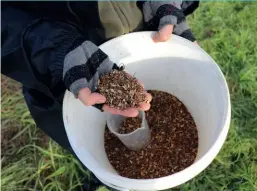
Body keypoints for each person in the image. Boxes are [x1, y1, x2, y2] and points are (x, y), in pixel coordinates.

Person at [1, 1, 199, 190]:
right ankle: (106, 179)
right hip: (61, 73)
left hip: (142, 29)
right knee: (93, 158)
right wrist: (52, 49)